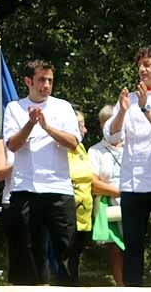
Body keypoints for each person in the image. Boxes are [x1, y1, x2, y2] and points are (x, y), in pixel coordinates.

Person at [3, 59, 79, 285]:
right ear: (28, 81)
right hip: (25, 189)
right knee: (28, 254)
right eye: (41, 80)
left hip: (59, 189)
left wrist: (47, 127)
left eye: (50, 80)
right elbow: (12, 145)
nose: (46, 85)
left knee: (66, 250)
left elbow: (73, 142)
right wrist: (30, 124)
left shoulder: (63, 107)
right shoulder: (14, 108)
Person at [104, 44, 151, 286]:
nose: (142, 70)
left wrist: (146, 108)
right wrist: (123, 112)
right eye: (140, 65)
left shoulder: (143, 102)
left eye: (148, 64)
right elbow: (112, 136)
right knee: (133, 244)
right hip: (133, 186)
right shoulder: (129, 99)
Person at [89, 104, 123, 285]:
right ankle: (122, 286)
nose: (106, 127)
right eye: (103, 123)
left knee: (135, 244)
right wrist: (120, 192)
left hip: (135, 203)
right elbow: (93, 183)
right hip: (109, 205)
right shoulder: (95, 151)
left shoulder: (133, 147)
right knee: (116, 248)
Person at [0, 137, 29, 284]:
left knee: (37, 252)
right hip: (11, 202)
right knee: (16, 254)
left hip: (37, 200)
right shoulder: (2, 143)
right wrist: (18, 165)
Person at [66, 109, 94, 283]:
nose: (85, 130)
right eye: (81, 125)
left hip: (84, 212)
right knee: (68, 254)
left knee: (76, 254)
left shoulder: (81, 147)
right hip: (69, 210)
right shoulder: (64, 149)